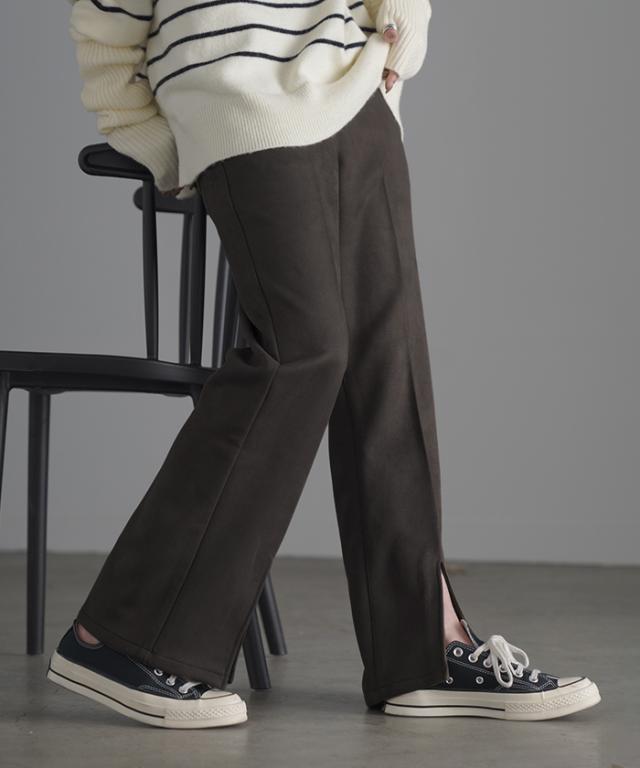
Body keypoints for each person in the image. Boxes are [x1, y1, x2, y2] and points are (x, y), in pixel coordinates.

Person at [47, 0, 600, 728]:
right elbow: (104, 25)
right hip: (237, 93)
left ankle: (425, 654)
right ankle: (121, 636)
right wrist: (152, 136)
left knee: (388, 366)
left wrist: (402, 23)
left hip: (356, 88)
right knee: (303, 352)